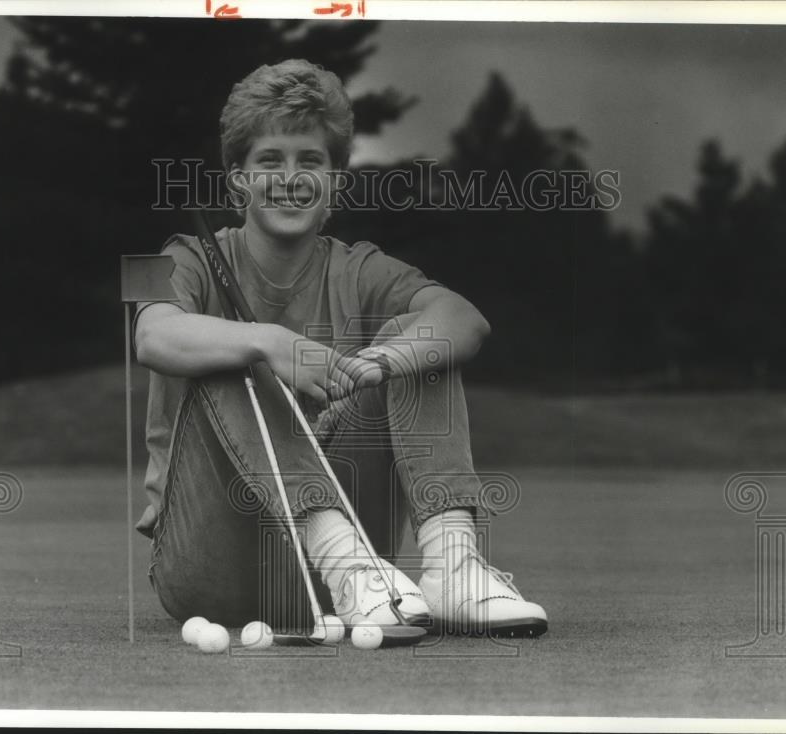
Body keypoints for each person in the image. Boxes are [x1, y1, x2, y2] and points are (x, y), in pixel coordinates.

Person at [133, 59, 547, 636]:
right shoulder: (177, 254)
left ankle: (452, 566)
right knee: (231, 353)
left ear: (336, 182)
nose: (290, 177)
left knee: (423, 345)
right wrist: (270, 341)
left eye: (310, 161)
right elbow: (150, 334)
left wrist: (383, 362)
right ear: (237, 181)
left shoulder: (363, 265)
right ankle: (343, 560)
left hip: (357, 574)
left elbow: (465, 319)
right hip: (212, 558)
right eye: (269, 160)